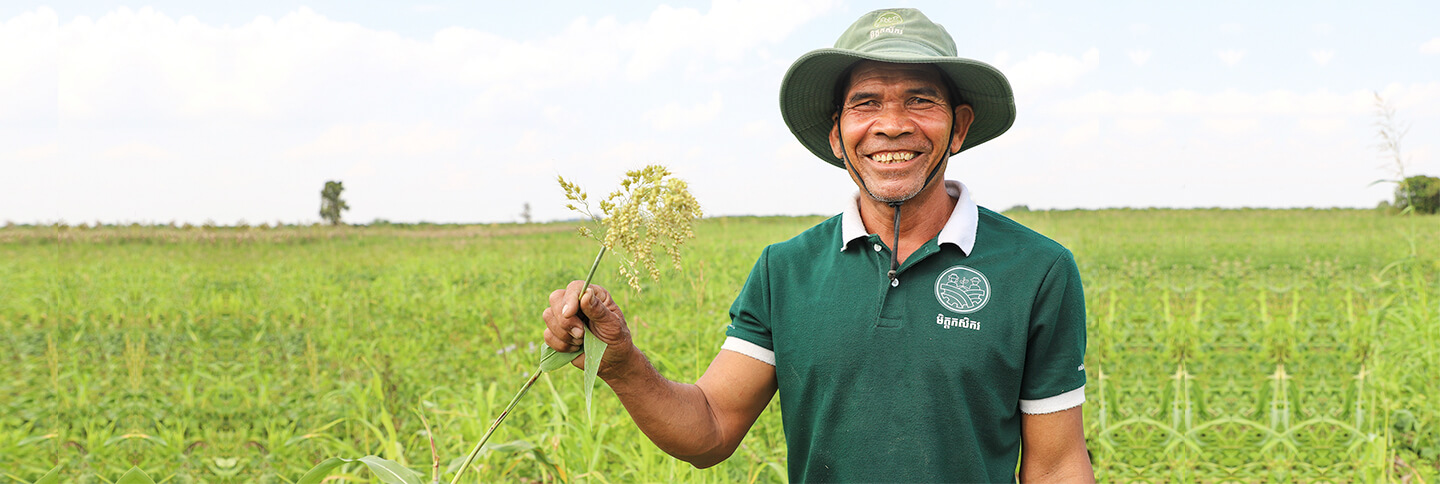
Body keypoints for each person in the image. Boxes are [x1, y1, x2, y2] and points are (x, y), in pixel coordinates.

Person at [542, 8, 1094, 483]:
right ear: (837, 135)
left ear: (959, 127)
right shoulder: (786, 270)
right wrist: (621, 365)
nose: (892, 125)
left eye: (921, 100)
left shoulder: (1037, 269)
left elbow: (1056, 465)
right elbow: (709, 429)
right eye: (866, 103)